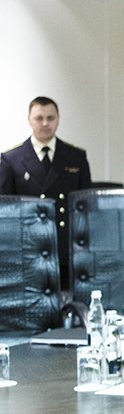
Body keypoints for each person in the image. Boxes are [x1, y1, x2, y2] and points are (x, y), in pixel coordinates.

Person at [0, 96, 92, 285]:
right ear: (29, 120)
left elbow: (86, 205)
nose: (45, 123)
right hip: (29, 247)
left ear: (58, 119)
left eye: (50, 118)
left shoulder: (75, 156)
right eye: (39, 118)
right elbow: (6, 211)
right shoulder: (12, 159)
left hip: (65, 247)